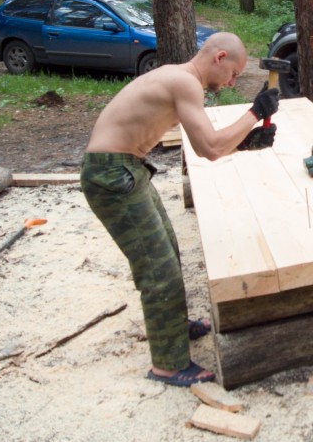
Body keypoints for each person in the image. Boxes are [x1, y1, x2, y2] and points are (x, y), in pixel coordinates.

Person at [80, 32, 279, 384]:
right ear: (219, 57)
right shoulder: (186, 84)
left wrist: (245, 144)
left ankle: (173, 326)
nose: (232, 82)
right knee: (159, 271)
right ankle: (168, 364)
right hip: (111, 174)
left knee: (167, 250)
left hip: (124, 169)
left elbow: (208, 144)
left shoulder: (179, 78)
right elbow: (211, 150)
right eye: (233, 73)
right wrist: (255, 112)